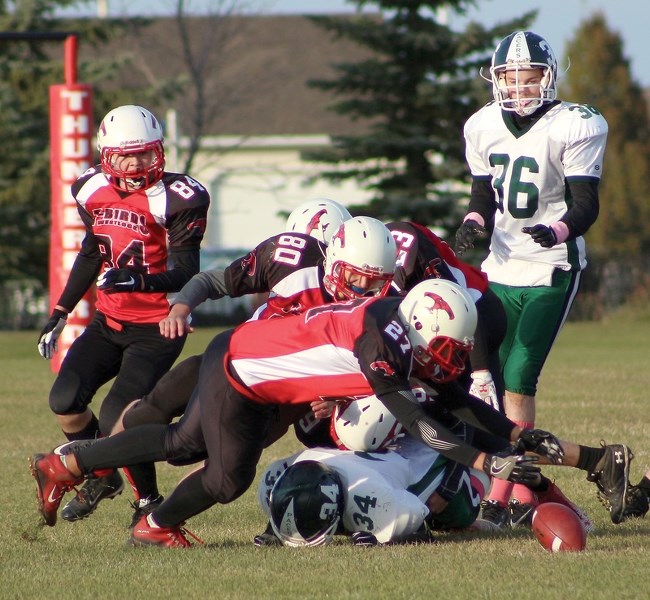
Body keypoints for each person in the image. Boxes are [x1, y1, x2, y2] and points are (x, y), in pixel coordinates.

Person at [30, 279, 558, 547]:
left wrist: (514, 436)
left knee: (184, 446)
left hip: (251, 366)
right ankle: (151, 520)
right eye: (444, 344)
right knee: (222, 476)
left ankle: (71, 466)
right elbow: (424, 423)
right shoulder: (380, 345)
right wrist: (486, 463)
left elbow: (455, 403)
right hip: (242, 368)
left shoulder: (394, 323)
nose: (451, 356)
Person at [454, 31, 610, 526]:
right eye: (511, 78)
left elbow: (586, 202)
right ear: (496, 80)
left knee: (520, 380)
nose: (520, 87)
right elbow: (484, 194)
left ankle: (501, 499)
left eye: (529, 77)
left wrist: (557, 228)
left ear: (548, 77)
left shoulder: (574, 124)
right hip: (499, 269)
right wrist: (472, 225)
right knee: (490, 386)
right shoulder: (481, 125)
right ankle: (522, 493)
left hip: (550, 268)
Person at [36, 105, 210, 525]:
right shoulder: (90, 188)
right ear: (105, 155)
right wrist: (60, 311)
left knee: (119, 418)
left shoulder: (179, 197)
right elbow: (93, 252)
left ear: (159, 153)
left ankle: (148, 502)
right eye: (125, 156)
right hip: (109, 321)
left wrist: (137, 282)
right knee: (64, 401)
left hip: (157, 326)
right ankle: (104, 475)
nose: (135, 164)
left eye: (144, 154)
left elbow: (187, 271)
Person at [255, 436, 491, 547]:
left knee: (458, 514)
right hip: (391, 451)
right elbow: (294, 493)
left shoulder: (372, 498)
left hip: (428, 463)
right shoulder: (295, 467)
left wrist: (384, 540)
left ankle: (481, 473)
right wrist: (273, 531)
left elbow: (421, 527)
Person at [388, 221, 506, 410]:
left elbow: (459, 306)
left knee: (470, 411)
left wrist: (480, 372)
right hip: (440, 324)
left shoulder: (411, 256)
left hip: (473, 316)